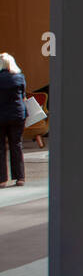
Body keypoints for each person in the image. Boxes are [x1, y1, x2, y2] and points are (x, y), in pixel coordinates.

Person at [0, 52, 27, 188]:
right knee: (16, 145)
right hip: (17, 115)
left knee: (1, 147)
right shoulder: (19, 77)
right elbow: (23, 96)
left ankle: (2, 179)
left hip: (1, 116)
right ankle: (20, 177)